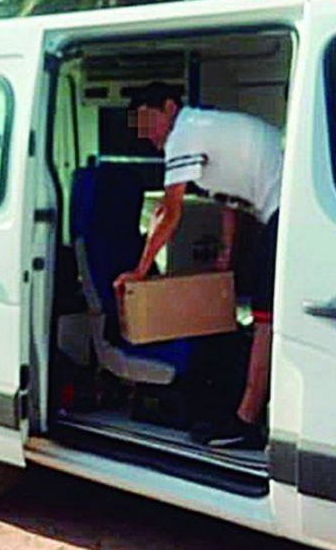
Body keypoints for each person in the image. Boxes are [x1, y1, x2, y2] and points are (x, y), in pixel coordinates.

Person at [113, 82, 282, 449]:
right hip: (281, 205)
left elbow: (169, 211)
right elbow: (230, 201)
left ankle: (246, 422)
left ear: (169, 108)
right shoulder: (205, 127)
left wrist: (140, 271)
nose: (147, 134)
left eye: (148, 122)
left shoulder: (185, 134)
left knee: (266, 321)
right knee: (265, 316)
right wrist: (225, 255)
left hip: (286, 210)